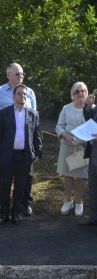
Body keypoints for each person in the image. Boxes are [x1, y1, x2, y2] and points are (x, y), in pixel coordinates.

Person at [0, 63, 37, 217]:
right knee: (3, 179)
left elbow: (34, 122)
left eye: (22, 74)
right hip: (5, 145)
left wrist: (36, 149)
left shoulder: (29, 92)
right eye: (17, 74)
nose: (20, 76)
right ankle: (2, 205)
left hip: (24, 148)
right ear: (8, 74)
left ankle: (24, 203)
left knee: (25, 179)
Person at [0, 84, 42, 225]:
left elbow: (36, 135)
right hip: (7, 155)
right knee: (5, 185)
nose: (22, 96)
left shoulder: (33, 114)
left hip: (25, 156)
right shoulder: (4, 113)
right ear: (14, 96)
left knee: (21, 186)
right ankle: (4, 213)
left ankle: (16, 212)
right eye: (19, 93)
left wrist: (38, 152)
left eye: (25, 94)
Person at [56, 82, 89, 216]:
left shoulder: (92, 109)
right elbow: (59, 126)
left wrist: (88, 141)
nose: (80, 93)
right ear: (72, 94)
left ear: (86, 93)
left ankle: (79, 202)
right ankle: (68, 200)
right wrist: (65, 135)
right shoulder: (66, 108)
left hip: (84, 147)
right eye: (77, 91)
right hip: (67, 145)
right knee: (67, 174)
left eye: (83, 91)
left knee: (82, 176)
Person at [78, 93, 97, 226]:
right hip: (94, 155)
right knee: (94, 187)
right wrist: (88, 108)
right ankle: (94, 217)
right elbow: (90, 120)